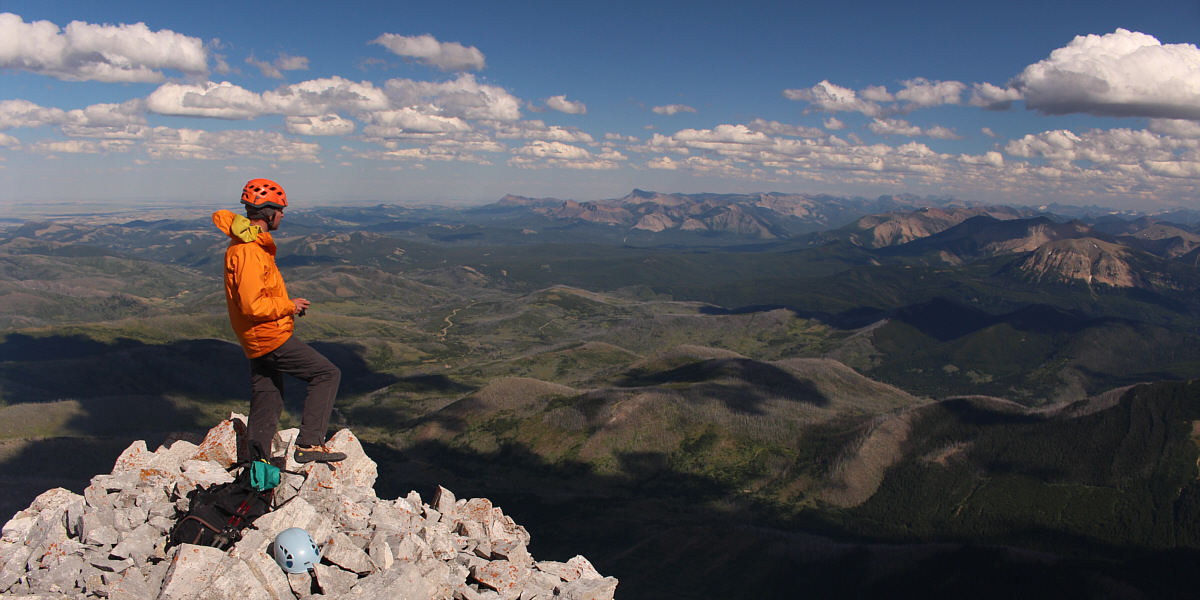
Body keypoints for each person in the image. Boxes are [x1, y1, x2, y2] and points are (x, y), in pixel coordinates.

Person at [212, 178, 346, 464]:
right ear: (269, 212)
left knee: (267, 396)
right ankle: (309, 444)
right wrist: (289, 306)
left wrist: (287, 306)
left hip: (255, 336)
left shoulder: (248, 245)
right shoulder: (249, 250)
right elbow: (252, 304)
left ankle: (255, 464)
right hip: (268, 335)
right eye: (281, 210)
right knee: (326, 374)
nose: (283, 215)